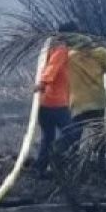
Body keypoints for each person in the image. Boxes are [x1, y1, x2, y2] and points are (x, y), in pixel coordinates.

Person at [58, 23, 106, 161]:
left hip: (77, 102)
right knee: (99, 134)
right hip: (97, 100)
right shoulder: (101, 52)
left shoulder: (66, 56)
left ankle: (67, 160)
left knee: (74, 135)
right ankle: (100, 163)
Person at [34, 31, 72, 175]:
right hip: (56, 104)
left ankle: (40, 168)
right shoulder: (61, 51)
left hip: (45, 104)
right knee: (71, 132)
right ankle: (57, 157)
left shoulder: (48, 53)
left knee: (48, 136)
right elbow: (52, 70)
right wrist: (43, 83)